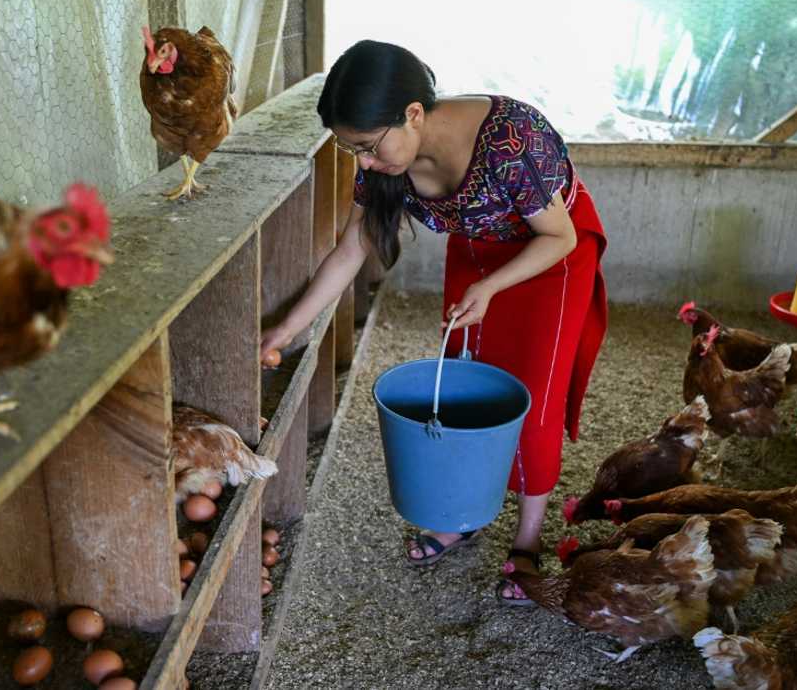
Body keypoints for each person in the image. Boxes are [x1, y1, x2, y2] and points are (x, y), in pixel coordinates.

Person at [259, 40, 608, 604]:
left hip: (551, 258)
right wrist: (287, 327)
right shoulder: (384, 161)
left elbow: (560, 234)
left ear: (414, 114)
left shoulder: (510, 138)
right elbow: (354, 247)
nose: (365, 164)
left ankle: (527, 537)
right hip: (478, 252)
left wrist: (492, 287)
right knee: (465, 385)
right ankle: (462, 514)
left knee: (533, 402)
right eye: (353, 152)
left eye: (368, 147)